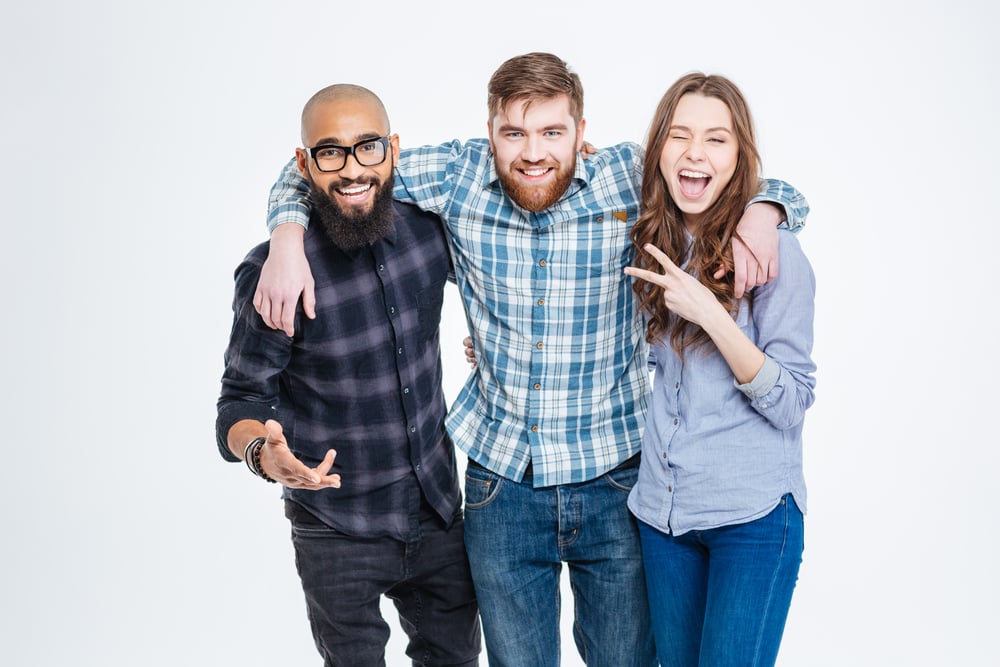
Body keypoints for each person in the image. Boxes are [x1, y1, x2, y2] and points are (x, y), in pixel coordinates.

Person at [256, 53, 809, 666]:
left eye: (552, 131)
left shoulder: (627, 174)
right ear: (488, 131)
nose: (532, 152)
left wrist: (769, 210)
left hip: (616, 478)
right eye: (513, 132)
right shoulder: (455, 175)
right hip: (502, 487)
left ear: (581, 131)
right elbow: (331, 163)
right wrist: (285, 236)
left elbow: (729, 176)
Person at [215, 84, 480, 667]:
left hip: (437, 512)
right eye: (331, 153)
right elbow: (238, 402)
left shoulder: (430, 232)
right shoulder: (274, 272)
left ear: (394, 151)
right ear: (305, 165)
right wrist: (263, 451)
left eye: (368, 147)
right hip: (335, 528)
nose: (352, 168)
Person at [624, 73, 816, 666]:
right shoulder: (648, 237)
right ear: (658, 148)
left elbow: (792, 400)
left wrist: (715, 317)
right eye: (679, 135)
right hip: (662, 515)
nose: (695, 153)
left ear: (739, 157)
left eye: (716, 139)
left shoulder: (774, 252)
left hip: (753, 519)